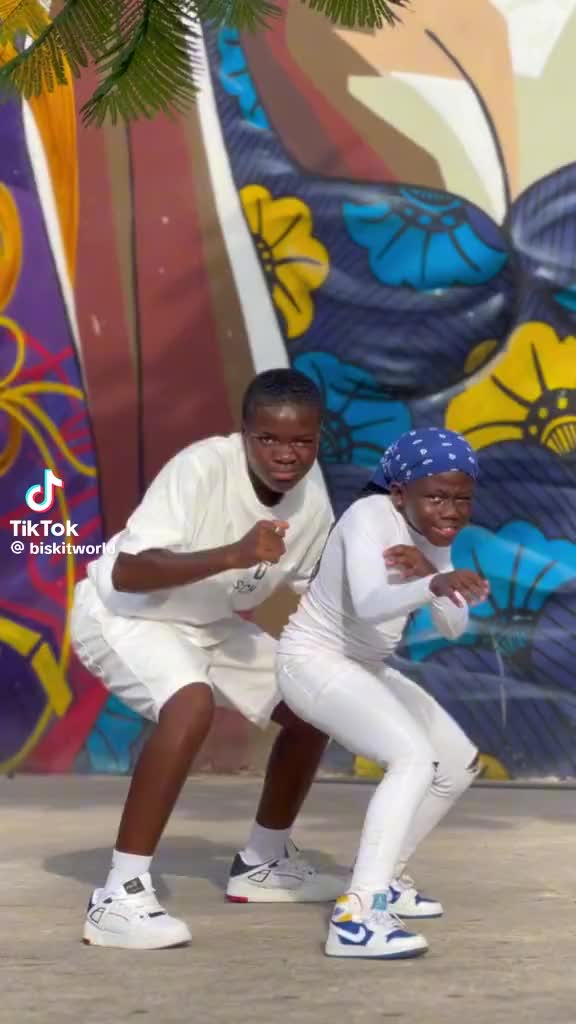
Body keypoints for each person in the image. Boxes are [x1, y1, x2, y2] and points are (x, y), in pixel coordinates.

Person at [70, 368, 346, 950]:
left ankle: (263, 863)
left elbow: (317, 591)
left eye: (301, 441)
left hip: (208, 623)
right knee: (189, 704)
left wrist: (409, 585)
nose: (286, 454)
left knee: (313, 698)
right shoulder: (199, 469)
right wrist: (234, 554)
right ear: (243, 434)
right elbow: (127, 573)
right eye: (268, 439)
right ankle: (118, 898)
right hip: (123, 613)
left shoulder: (313, 500)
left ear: (318, 438)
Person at [276, 426, 490, 960]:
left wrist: (433, 575)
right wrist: (433, 583)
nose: (451, 511)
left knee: (456, 763)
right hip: (312, 660)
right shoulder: (368, 517)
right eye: (437, 497)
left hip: (362, 666)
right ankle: (357, 916)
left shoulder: (433, 533)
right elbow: (372, 604)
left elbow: (453, 627)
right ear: (400, 492)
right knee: (412, 758)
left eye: (462, 499)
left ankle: (385, 877)